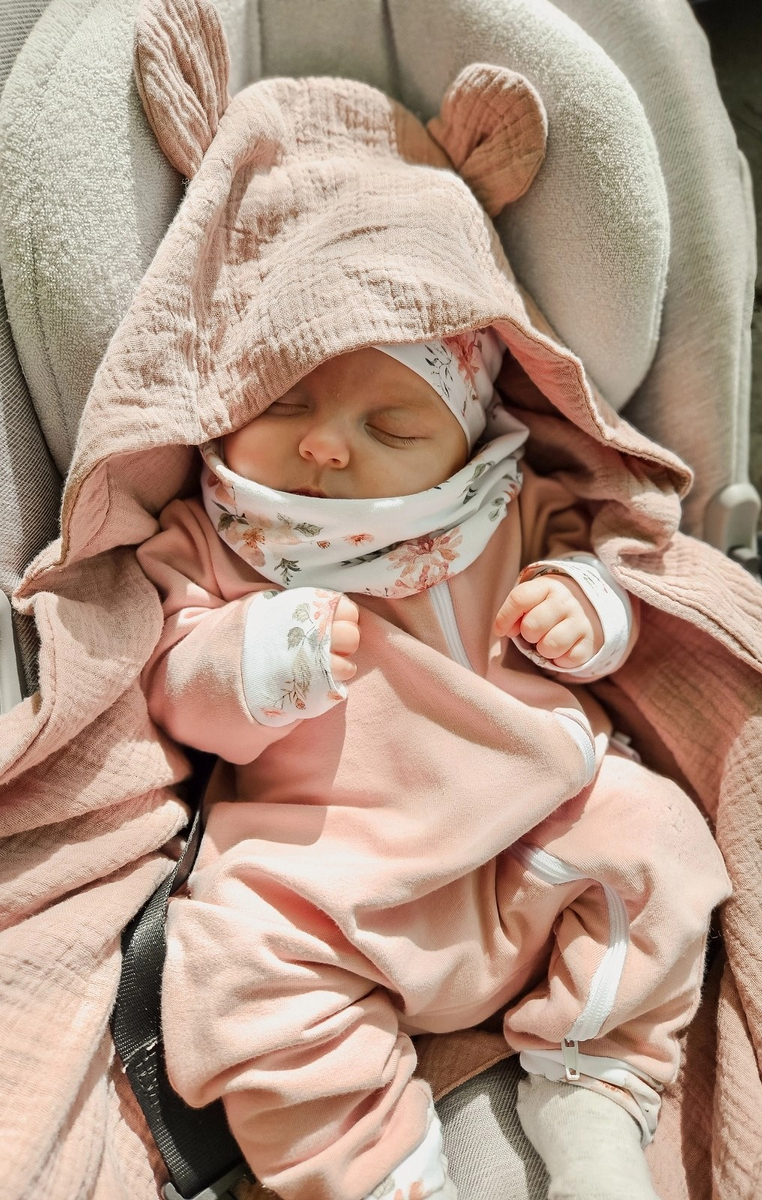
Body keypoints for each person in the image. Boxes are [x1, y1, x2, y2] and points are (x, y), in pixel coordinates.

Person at [138, 327, 730, 1200]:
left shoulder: (509, 506)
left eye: (393, 428)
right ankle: (384, 1174)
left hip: (531, 841)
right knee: (232, 956)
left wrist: (584, 609)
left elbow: (607, 576)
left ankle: (592, 1094)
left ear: (464, 442)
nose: (323, 443)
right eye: (284, 404)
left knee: (655, 832)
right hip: (330, 872)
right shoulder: (209, 533)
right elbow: (168, 683)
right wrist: (248, 658)